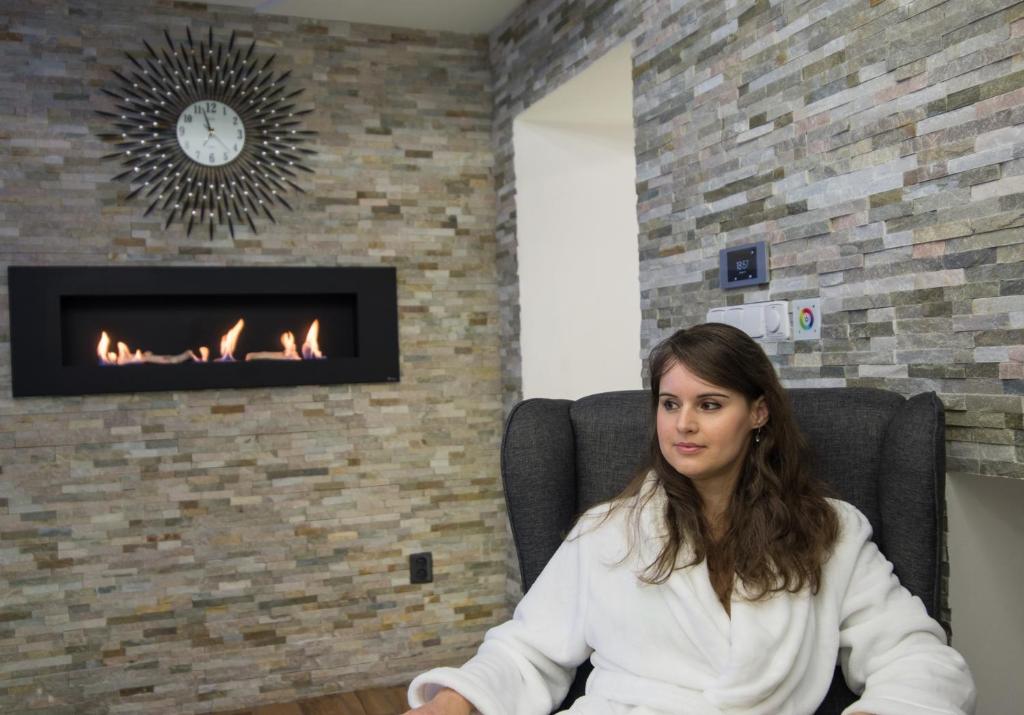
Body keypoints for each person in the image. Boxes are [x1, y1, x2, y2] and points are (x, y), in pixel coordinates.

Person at [403, 323, 976, 715]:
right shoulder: (610, 531)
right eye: (670, 403)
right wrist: (459, 700)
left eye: (709, 404)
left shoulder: (831, 534)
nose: (683, 425)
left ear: (758, 412)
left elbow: (914, 654)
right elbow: (526, 650)